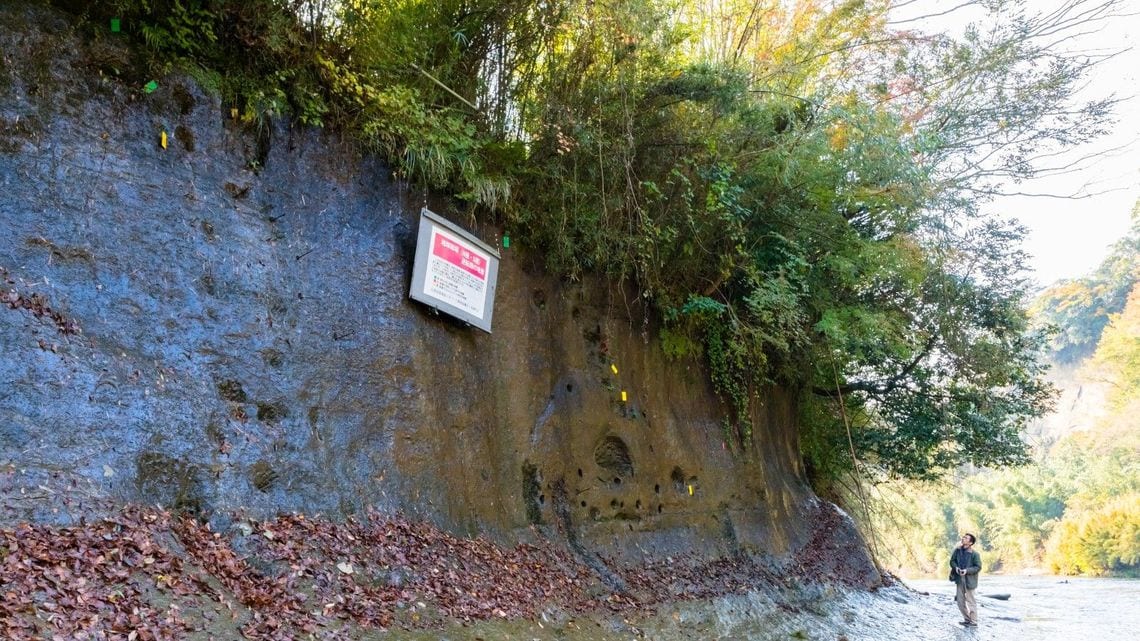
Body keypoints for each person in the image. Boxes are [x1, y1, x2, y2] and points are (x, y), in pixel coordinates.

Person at [949, 533, 982, 626]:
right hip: (959, 579)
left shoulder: (975, 554)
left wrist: (966, 571)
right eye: (963, 537)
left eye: (966, 538)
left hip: (970, 581)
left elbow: (978, 567)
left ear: (970, 542)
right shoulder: (957, 550)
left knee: (971, 601)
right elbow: (952, 561)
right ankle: (967, 620)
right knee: (960, 602)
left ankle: (974, 621)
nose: (963, 538)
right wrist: (956, 568)